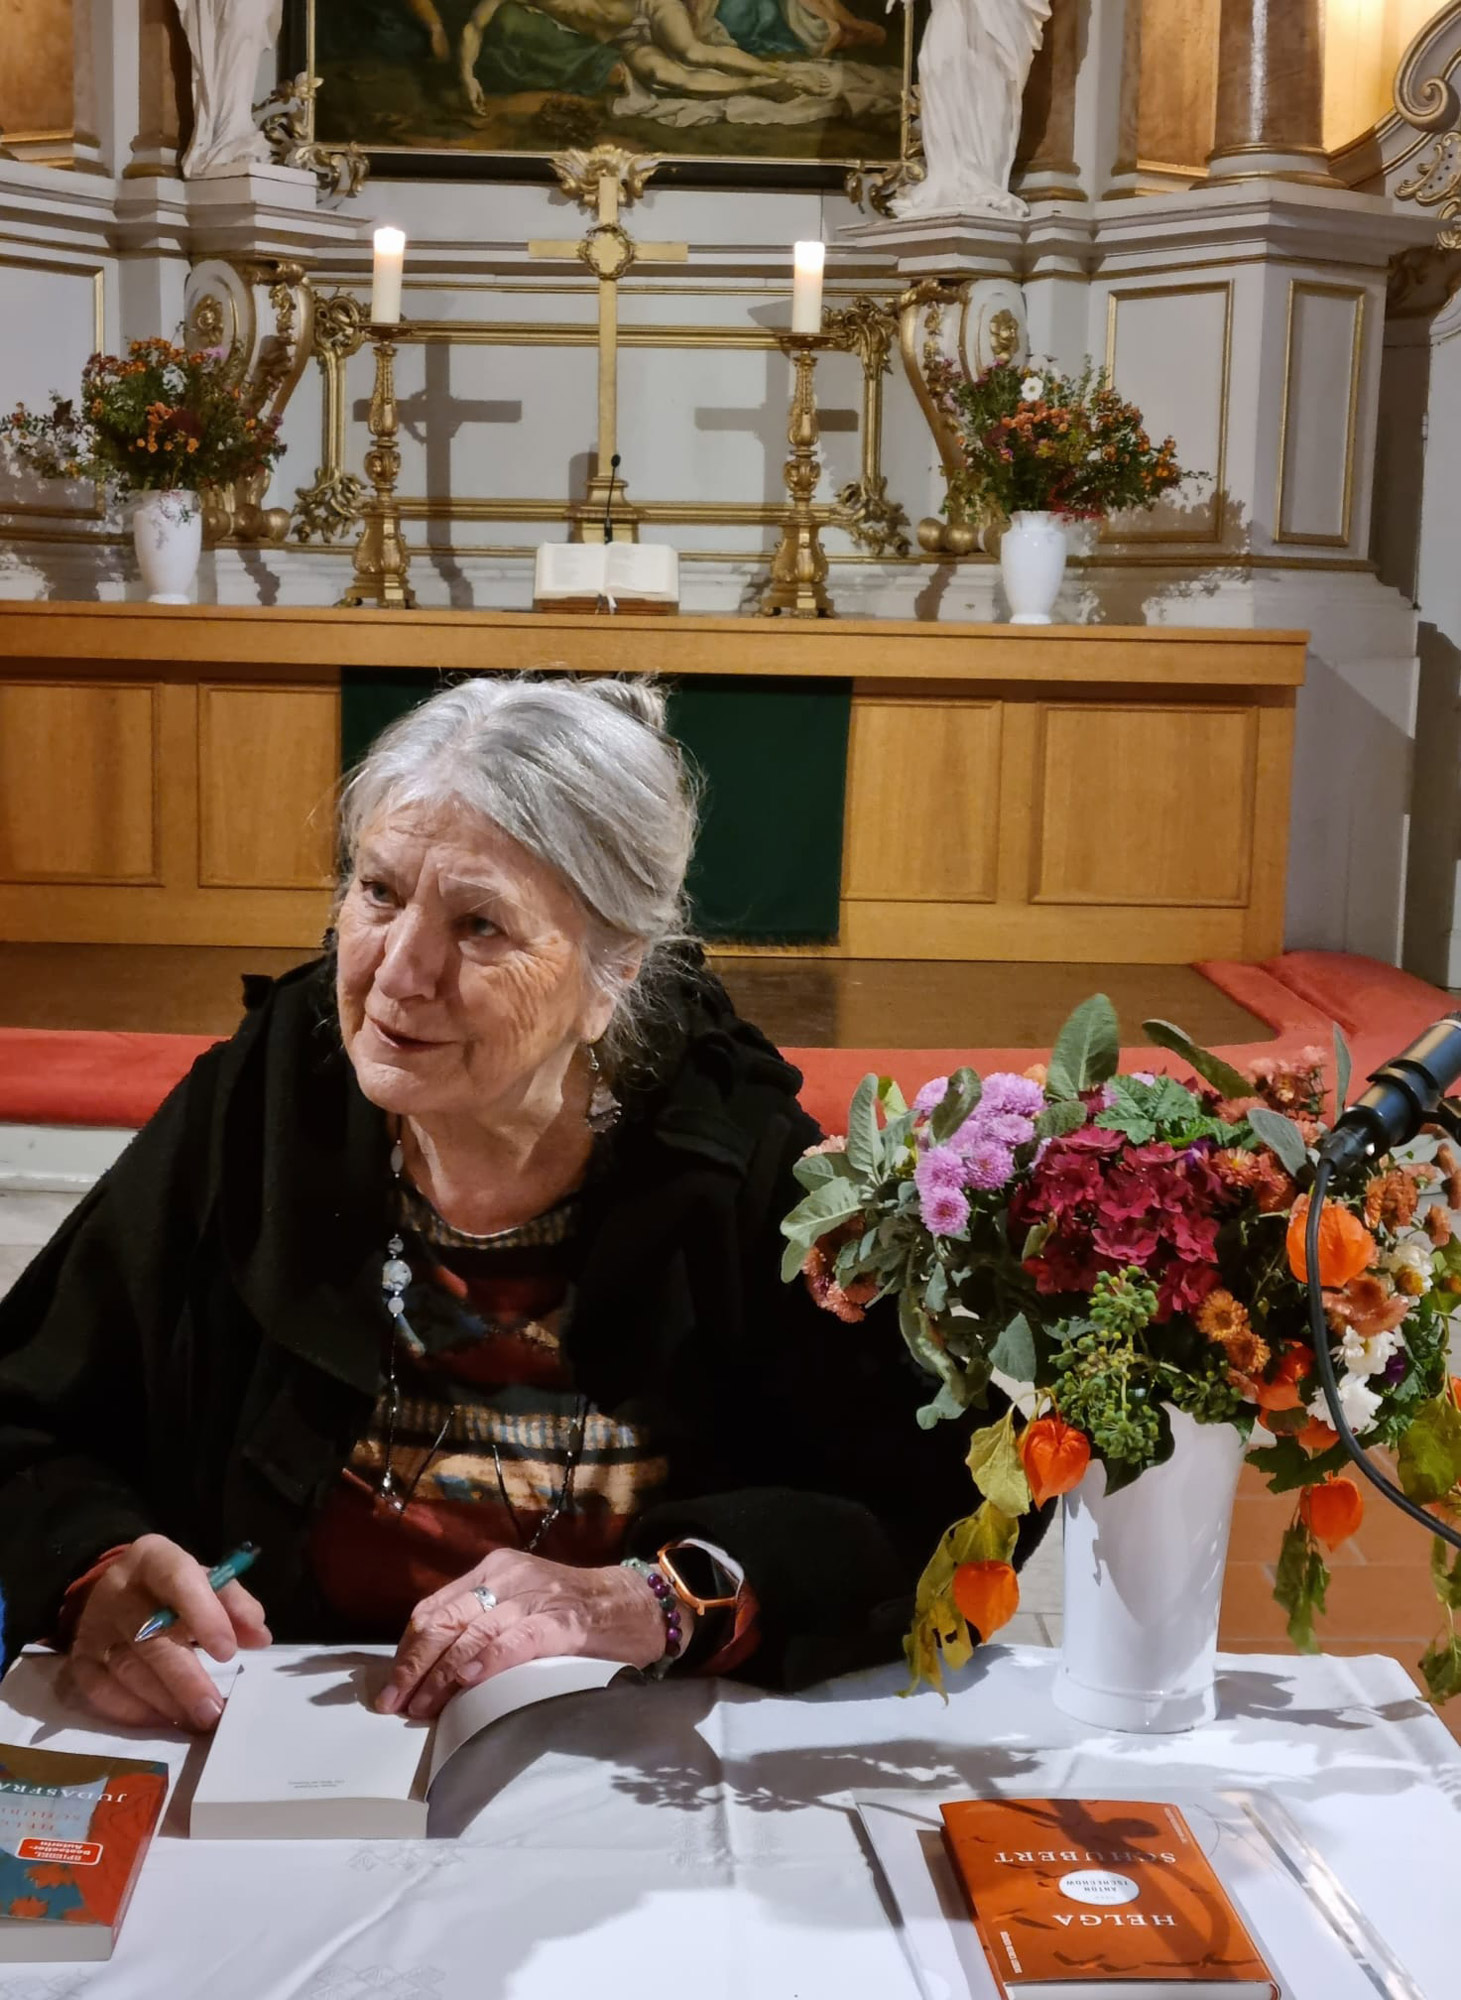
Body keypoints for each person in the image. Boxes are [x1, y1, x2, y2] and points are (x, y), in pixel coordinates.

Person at [0, 676, 1044, 1735]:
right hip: (280, 1739)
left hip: (634, 1762)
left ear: (612, 973)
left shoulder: (732, 1163)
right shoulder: (263, 1107)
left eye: (481, 923)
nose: (399, 971)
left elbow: (957, 1504)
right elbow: (24, 1408)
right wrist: (97, 1568)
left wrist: (653, 1598)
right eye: (376, 891)